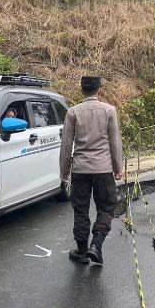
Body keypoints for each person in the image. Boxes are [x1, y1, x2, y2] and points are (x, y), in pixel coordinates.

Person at [59, 76, 124, 266]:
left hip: (80, 169)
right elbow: (115, 142)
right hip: (103, 169)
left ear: (82, 90)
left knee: (80, 210)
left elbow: (66, 145)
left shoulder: (73, 112)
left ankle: (81, 250)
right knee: (106, 207)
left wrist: (65, 172)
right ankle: (96, 244)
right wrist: (118, 167)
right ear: (99, 90)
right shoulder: (109, 111)